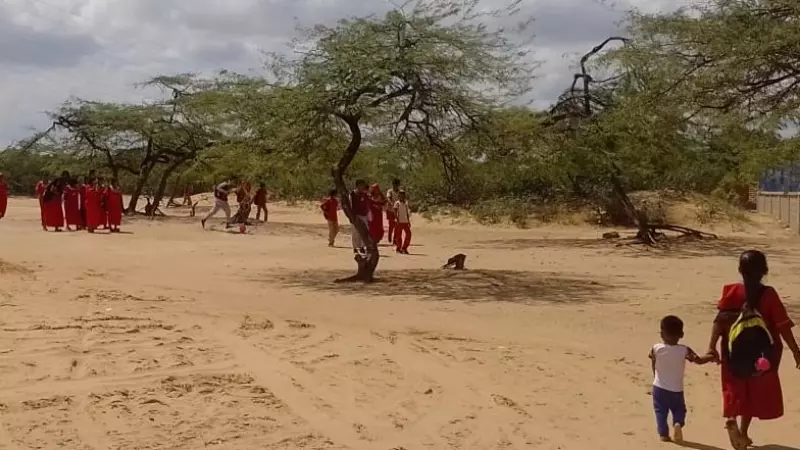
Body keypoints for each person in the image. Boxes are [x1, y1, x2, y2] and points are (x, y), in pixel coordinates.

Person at [706, 250, 800, 449]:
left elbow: (720, 321)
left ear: (740, 270)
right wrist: (796, 351)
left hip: (733, 351)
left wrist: (712, 346)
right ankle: (744, 431)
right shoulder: (769, 294)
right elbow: (783, 326)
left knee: (734, 387)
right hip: (762, 355)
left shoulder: (732, 292)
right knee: (753, 391)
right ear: (765, 270)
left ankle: (732, 419)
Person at [649, 315, 715, 443]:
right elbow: (699, 361)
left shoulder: (656, 348)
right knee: (679, 409)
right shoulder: (684, 350)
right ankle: (677, 423)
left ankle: (663, 434)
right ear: (682, 334)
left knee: (660, 412)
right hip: (676, 390)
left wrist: (655, 376)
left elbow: (653, 363)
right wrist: (711, 356)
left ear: (662, 333)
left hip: (658, 388)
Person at [350, 179, 370, 254]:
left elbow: (367, 205)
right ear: (358, 185)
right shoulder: (353, 194)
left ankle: (362, 246)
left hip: (363, 215)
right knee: (355, 232)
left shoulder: (364, 194)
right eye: (362, 185)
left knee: (364, 231)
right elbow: (351, 205)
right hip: (355, 215)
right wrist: (352, 216)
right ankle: (355, 247)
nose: (363, 186)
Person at [385, 178, 401, 244]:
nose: (395, 186)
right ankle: (390, 236)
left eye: (396, 185)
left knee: (397, 225)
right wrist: (392, 204)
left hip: (397, 211)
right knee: (391, 225)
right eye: (394, 185)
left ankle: (395, 239)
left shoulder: (400, 192)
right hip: (390, 210)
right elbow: (388, 198)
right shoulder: (390, 191)